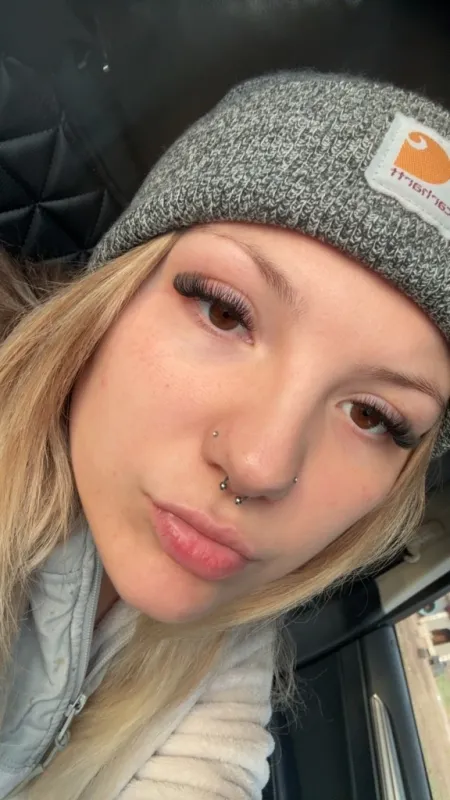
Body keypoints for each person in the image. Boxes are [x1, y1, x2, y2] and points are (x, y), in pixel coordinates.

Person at [0, 69, 449, 800]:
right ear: (111, 298)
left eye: (373, 416)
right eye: (224, 312)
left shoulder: (228, 646)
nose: (259, 465)